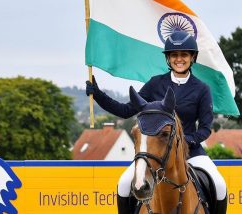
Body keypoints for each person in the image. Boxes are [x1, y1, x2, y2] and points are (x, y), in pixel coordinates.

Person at [86, 31, 227, 214]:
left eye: (184, 54)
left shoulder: (202, 89)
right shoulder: (155, 84)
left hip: (191, 152)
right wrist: (98, 95)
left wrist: (184, 142)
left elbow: (206, 128)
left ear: (192, 57)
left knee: (219, 184)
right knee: (123, 183)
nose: (179, 59)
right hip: (155, 152)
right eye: (174, 55)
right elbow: (126, 110)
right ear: (168, 58)